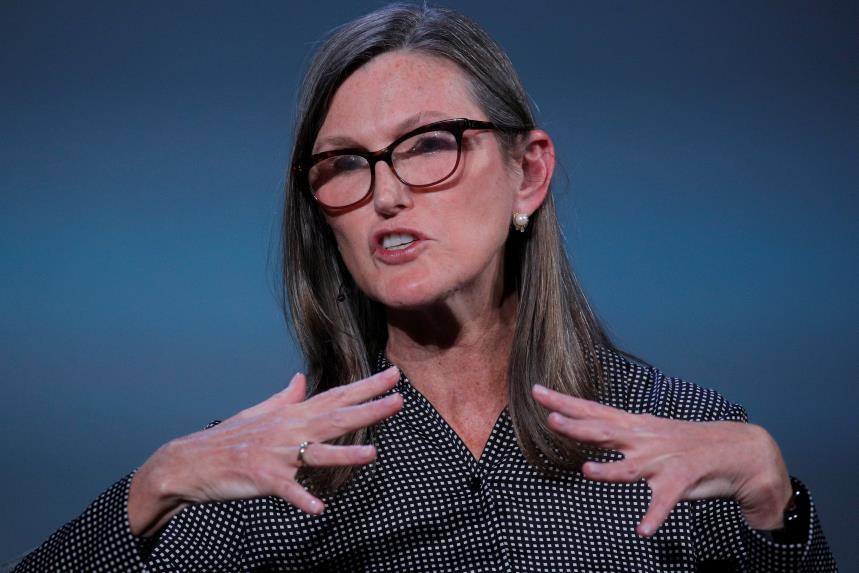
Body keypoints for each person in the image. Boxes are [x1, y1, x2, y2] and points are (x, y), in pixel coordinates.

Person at [14, 4, 836, 572]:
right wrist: (152, 487)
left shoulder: (680, 436)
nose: (387, 193)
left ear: (528, 172)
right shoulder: (271, 466)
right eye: (344, 165)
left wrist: (777, 507)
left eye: (429, 144)